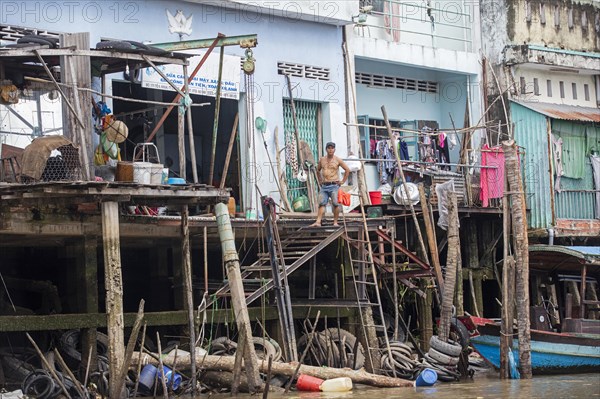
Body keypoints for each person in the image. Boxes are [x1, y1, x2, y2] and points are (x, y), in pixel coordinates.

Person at [309, 142, 351, 227]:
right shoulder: (322, 159)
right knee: (321, 203)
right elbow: (318, 170)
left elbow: (347, 170)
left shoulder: (338, 160)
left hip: (334, 185)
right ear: (326, 149)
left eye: (332, 148)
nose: (330, 150)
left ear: (334, 150)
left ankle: (335, 222)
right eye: (329, 148)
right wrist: (320, 181)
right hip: (324, 186)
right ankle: (318, 222)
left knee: (336, 204)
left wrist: (342, 181)